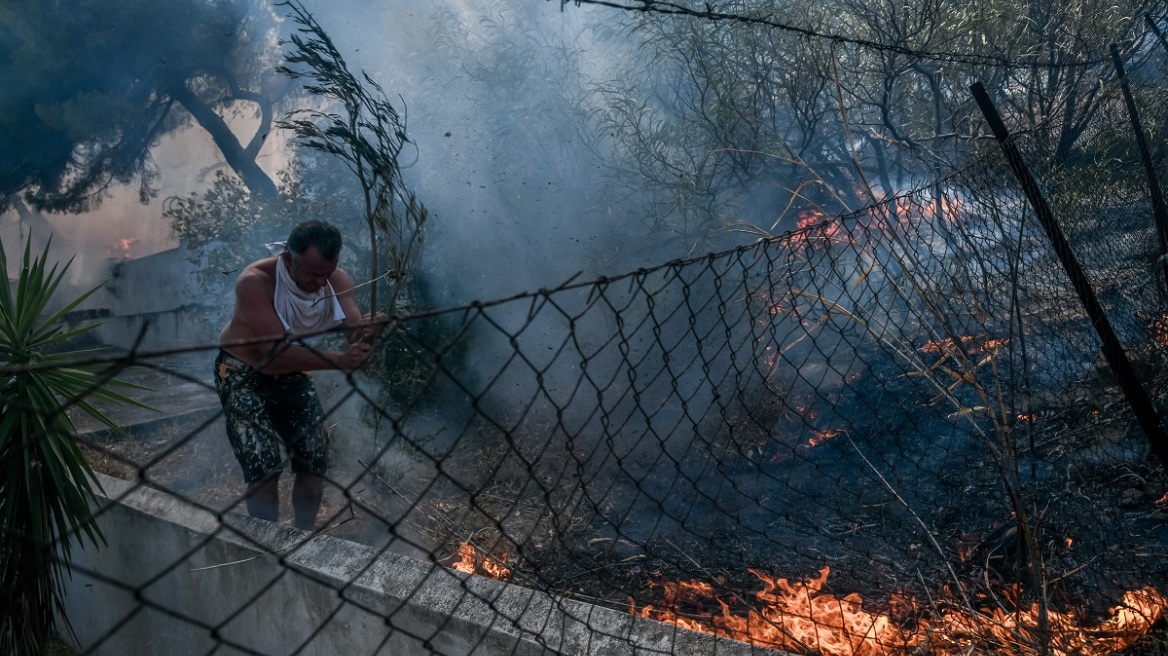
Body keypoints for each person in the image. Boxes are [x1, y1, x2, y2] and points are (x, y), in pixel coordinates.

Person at [214, 220, 380, 530]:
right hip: (241, 372)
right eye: (313, 274)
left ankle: (304, 537)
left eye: (327, 274)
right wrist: (339, 361)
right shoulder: (255, 282)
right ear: (290, 259)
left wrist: (369, 336)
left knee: (314, 456)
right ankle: (267, 541)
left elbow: (356, 346)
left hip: (291, 370)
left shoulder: (337, 281)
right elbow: (272, 358)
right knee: (263, 462)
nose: (321, 283)